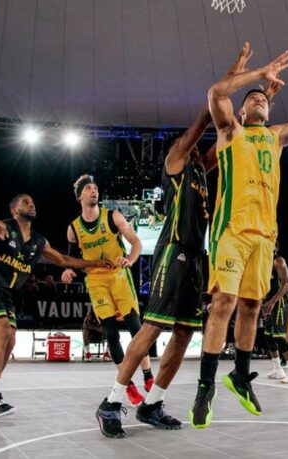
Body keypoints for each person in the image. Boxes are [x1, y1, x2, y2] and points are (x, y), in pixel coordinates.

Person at [191, 42, 288, 429]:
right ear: (242, 109)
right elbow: (215, 93)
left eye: (263, 100)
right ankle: (205, 387)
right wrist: (259, 74)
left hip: (265, 237)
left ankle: (239, 374)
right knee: (224, 302)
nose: (258, 100)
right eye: (251, 98)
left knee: (252, 307)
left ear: (269, 108)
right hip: (231, 231)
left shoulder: (277, 135)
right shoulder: (229, 130)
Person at [92, 95, 218, 438]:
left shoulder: (199, 173)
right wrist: (214, 103)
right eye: (190, 143)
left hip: (195, 257)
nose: (194, 148)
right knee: (152, 329)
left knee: (184, 332)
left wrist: (243, 116)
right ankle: (111, 403)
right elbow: (200, 129)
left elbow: (225, 144)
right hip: (172, 251)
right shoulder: (175, 163)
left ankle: (152, 404)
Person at [0, 194, 111, 417]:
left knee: (10, 340)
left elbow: (63, 261)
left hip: (5, 294)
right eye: (25, 202)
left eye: (33, 202)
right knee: (2, 332)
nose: (31, 205)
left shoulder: (38, 242)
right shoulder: (2, 227)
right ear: (14, 211)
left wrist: (96, 263)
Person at [60, 175, 153, 408]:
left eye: (96, 188)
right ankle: (128, 386)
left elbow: (137, 243)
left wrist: (130, 260)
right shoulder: (74, 229)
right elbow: (72, 259)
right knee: (110, 333)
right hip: (96, 281)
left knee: (136, 329)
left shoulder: (112, 217)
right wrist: (68, 270)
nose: (94, 191)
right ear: (80, 196)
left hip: (119, 277)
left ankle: (149, 377)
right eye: (89, 188)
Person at [261, 243, 288, 383]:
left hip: (281, 302)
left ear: (275, 247)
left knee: (279, 336)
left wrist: (272, 302)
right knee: (268, 335)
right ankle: (278, 369)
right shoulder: (262, 262)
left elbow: (286, 284)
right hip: (270, 303)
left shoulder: (278, 261)